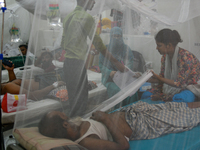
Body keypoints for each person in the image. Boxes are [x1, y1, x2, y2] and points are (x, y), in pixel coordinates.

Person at [38, 101, 200, 150]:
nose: (64, 112)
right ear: (65, 124)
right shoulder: (87, 141)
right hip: (142, 123)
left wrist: (99, 117)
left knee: (178, 106)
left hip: (133, 112)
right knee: (186, 116)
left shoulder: (77, 125)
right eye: (61, 114)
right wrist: (106, 119)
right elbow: (123, 146)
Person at [61, 0, 126, 117]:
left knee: (73, 99)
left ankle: (74, 124)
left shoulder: (68, 17)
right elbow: (98, 43)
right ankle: (77, 127)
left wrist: (86, 50)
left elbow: (64, 43)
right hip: (77, 65)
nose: (94, 2)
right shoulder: (86, 17)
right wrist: (116, 62)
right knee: (80, 101)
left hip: (68, 64)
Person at [142, 28, 200, 102]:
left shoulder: (185, 57)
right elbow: (162, 78)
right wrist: (148, 79)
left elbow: (179, 84)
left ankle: (165, 98)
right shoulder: (164, 57)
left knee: (179, 98)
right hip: (171, 87)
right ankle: (165, 98)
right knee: (146, 95)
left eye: (159, 45)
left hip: (188, 88)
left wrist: (161, 94)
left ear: (169, 45)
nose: (156, 48)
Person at [99, 27, 138, 109]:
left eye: (118, 36)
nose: (116, 38)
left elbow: (130, 63)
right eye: (114, 36)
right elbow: (101, 65)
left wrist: (123, 71)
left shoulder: (126, 49)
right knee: (118, 91)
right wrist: (109, 72)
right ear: (110, 36)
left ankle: (131, 111)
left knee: (133, 91)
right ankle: (117, 113)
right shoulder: (105, 50)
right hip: (110, 79)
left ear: (122, 36)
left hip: (125, 78)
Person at [1, 62, 65, 100]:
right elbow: (33, 95)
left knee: (66, 69)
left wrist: (10, 71)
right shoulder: (8, 87)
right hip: (46, 82)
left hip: (44, 79)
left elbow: (14, 83)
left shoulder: (6, 86)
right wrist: (53, 86)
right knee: (69, 71)